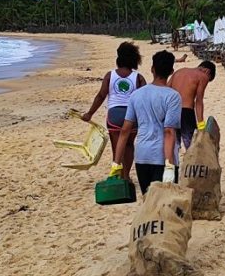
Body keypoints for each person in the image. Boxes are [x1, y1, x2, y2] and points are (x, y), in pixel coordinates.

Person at [113, 49, 182, 195]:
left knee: (148, 204)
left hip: (142, 157)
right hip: (162, 158)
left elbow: (125, 131)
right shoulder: (173, 97)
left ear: (152, 69)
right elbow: (169, 132)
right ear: (171, 71)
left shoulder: (137, 95)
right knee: (164, 206)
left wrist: (116, 163)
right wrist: (169, 165)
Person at [82, 42, 146, 179]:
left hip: (114, 116)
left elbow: (100, 96)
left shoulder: (110, 76)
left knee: (117, 147)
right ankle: (126, 176)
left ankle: (118, 173)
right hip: (132, 117)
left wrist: (89, 113)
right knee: (129, 145)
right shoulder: (139, 78)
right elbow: (144, 99)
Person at [170, 59, 216, 150]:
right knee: (191, 145)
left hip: (171, 110)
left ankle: (172, 164)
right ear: (208, 71)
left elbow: (165, 90)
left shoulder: (179, 71)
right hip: (186, 112)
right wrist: (201, 126)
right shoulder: (203, 76)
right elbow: (199, 101)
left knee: (173, 146)